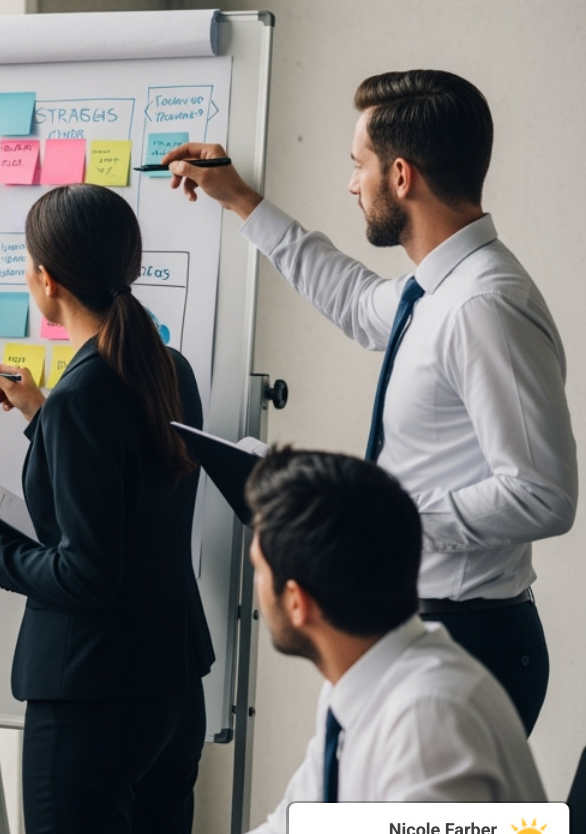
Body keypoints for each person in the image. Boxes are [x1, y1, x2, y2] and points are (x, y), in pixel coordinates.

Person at [162, 70, 575, 733]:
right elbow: (356, 303)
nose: (352, 184)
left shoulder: (485, 306)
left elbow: (543, 494)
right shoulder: (435, 291)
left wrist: (375, 516)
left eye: (360, 166)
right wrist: (239, 199)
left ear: (402, 176)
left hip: (472, 637)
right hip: (422, 626)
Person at [64, 448, 567, 834]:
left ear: (297, 602)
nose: (256, 584)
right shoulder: (366, 679)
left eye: (259, 568)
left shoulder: (432, 721)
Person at [0, 184, 214, 834]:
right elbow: (129, 488)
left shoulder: (85, 398)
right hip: (171, 688)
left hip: (93, 698)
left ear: (46, 280)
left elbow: (86, 572)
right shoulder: (168, 370)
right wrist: (41, 415)